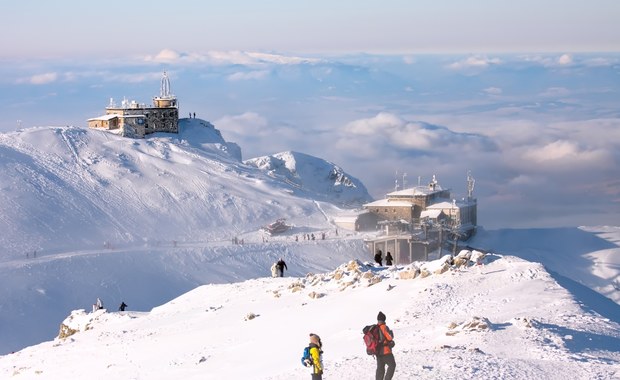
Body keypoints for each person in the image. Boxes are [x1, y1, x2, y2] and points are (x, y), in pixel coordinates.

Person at [375, 311, 396, 380]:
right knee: (392, 365)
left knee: (380, 369)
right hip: (386, 352)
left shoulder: (375, 328)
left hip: (378, 352)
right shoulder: (384, 327)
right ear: (384, 319)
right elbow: (389, 337)